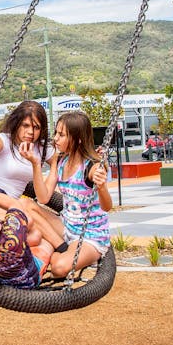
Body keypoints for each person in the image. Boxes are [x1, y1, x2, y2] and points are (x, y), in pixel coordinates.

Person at [29, 111, 112, 278]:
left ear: (77, 139)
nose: (55, 139)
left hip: (89, 234)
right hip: (66, 225)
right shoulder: (60, 161)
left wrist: (101, 187)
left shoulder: (92, 167)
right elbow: (44, 198)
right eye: (56, 133)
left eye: (61, 135)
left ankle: (56, 251)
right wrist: (36, 165)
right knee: (26, 205)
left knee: (59, 268)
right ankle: (59, 247)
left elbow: (107, 207)